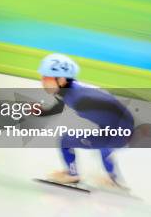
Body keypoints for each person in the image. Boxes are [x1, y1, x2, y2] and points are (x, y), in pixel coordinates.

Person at [38, 53, 134, 186]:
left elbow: (113, 105)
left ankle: (80, 176)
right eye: (43, 77)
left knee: (72, 142)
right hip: (110, 129)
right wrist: (42, 112)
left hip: (121, 131)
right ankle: (111, 179)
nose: (43, 82)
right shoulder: (64, 91)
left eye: (47, 78)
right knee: (70, 141)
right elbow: (60, 105)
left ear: (62, 80)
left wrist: (130, 131)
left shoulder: (81, 97)